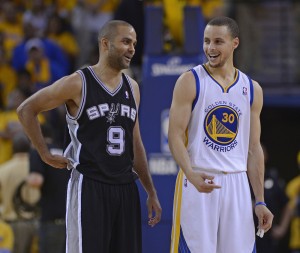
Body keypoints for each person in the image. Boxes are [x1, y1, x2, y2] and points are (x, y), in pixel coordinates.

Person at [17, 20, 162, 253]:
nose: (132, 48)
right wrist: (44, 153)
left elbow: (135, 142)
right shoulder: (78, 83)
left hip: (125, 187)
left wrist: (150, 190)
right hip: (90, 185)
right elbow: (26, 109)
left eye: (134, 43)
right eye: (126, 41)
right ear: (105, 44)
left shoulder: (132, 87)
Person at [168, 16, 273, 253]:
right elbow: (174, 136)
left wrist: (260, 201)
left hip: (237, 182)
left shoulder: (252, 88)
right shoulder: (190, 80)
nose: (210, 48)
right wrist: (191, 173)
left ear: (235, 43)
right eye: (206, 41)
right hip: (199, 177)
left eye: (218, 41)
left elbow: (253, 148)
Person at [26, 124, 70, 253]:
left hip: (51, 220)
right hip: (71, 221)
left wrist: (26, 179)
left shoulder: (38, 151)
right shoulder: (65, 152)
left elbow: (36, 180)